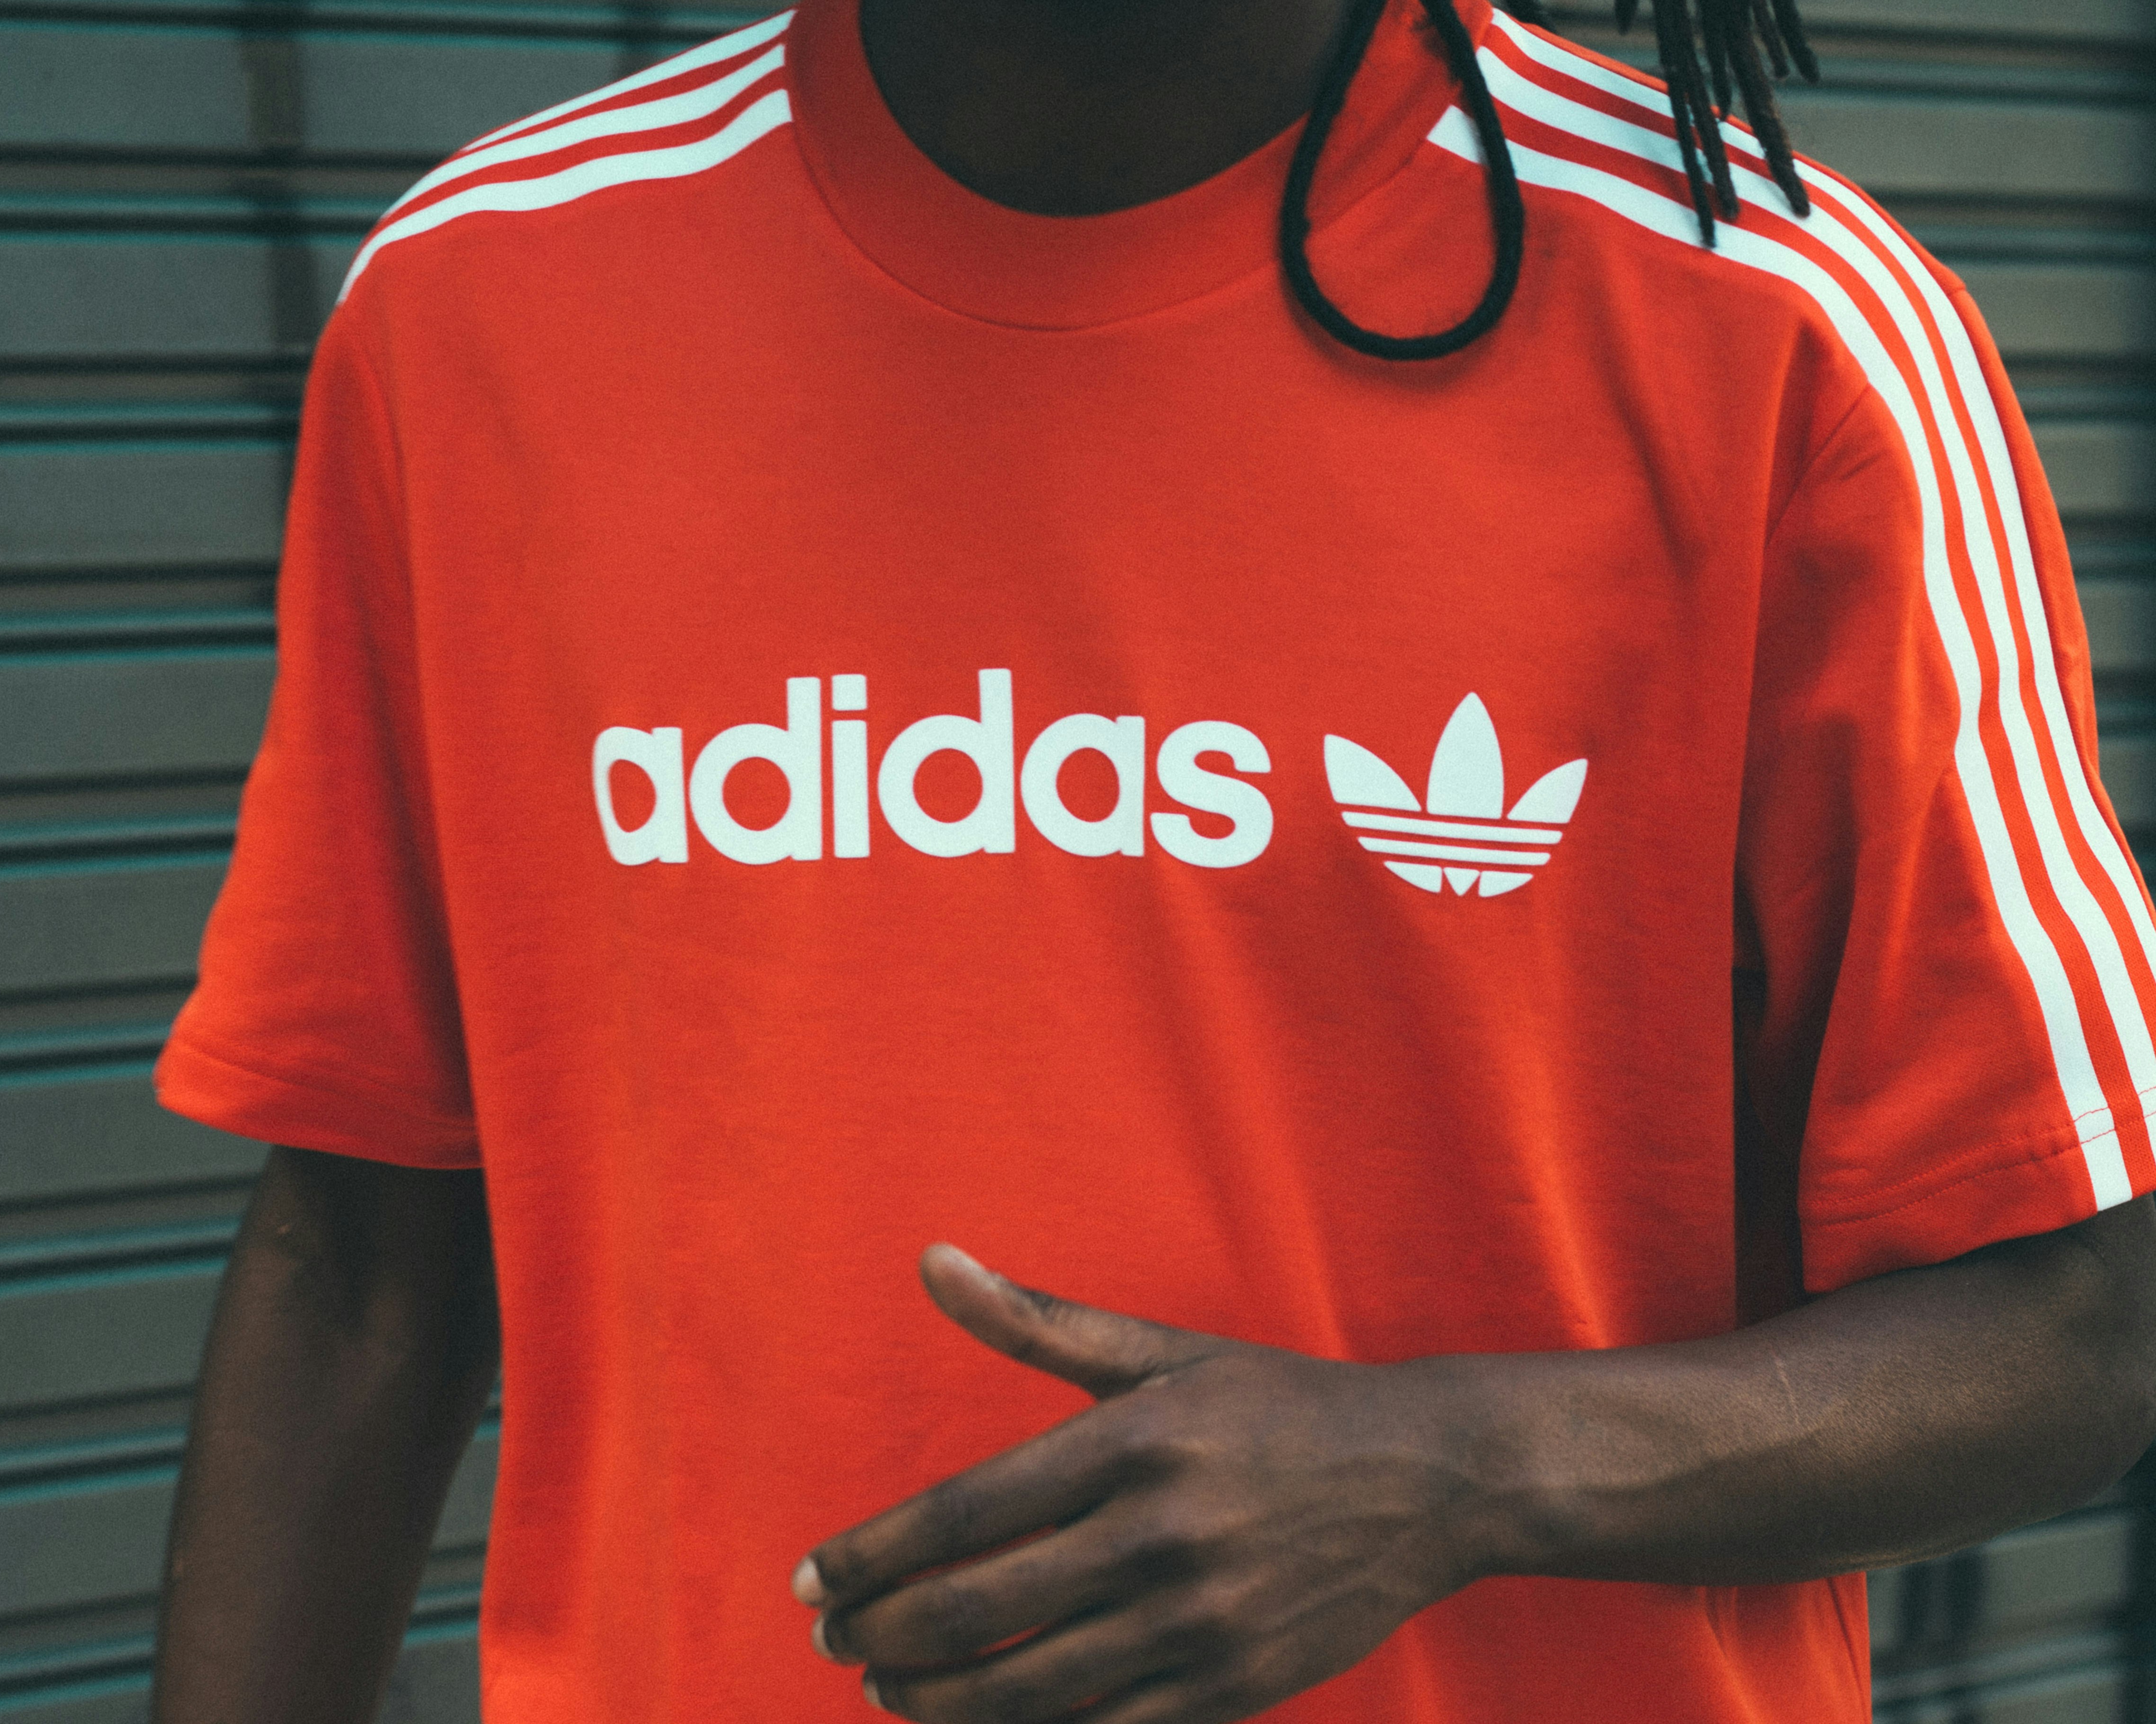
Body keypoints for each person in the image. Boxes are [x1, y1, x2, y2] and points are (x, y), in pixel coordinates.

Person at [145, 0, 2156, 1717]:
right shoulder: (487, 301)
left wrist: (1461, 1468)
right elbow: (356, 1269)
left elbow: (2088, 1320)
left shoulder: (1772, 333)